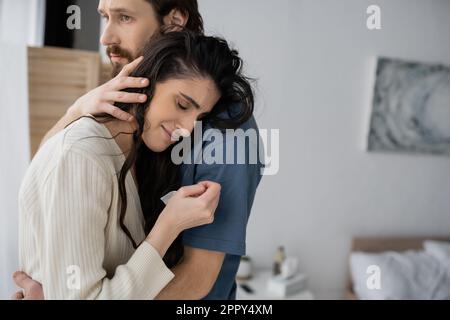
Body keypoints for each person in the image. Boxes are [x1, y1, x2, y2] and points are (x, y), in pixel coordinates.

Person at [13, 0, 263, 300]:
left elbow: (196, 278)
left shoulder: (226, 127)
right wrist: (76, 111)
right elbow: (49, 173)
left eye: (125, 17)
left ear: (173, 22)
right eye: (105, 17)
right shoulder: (107, 123)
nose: (106, 37)